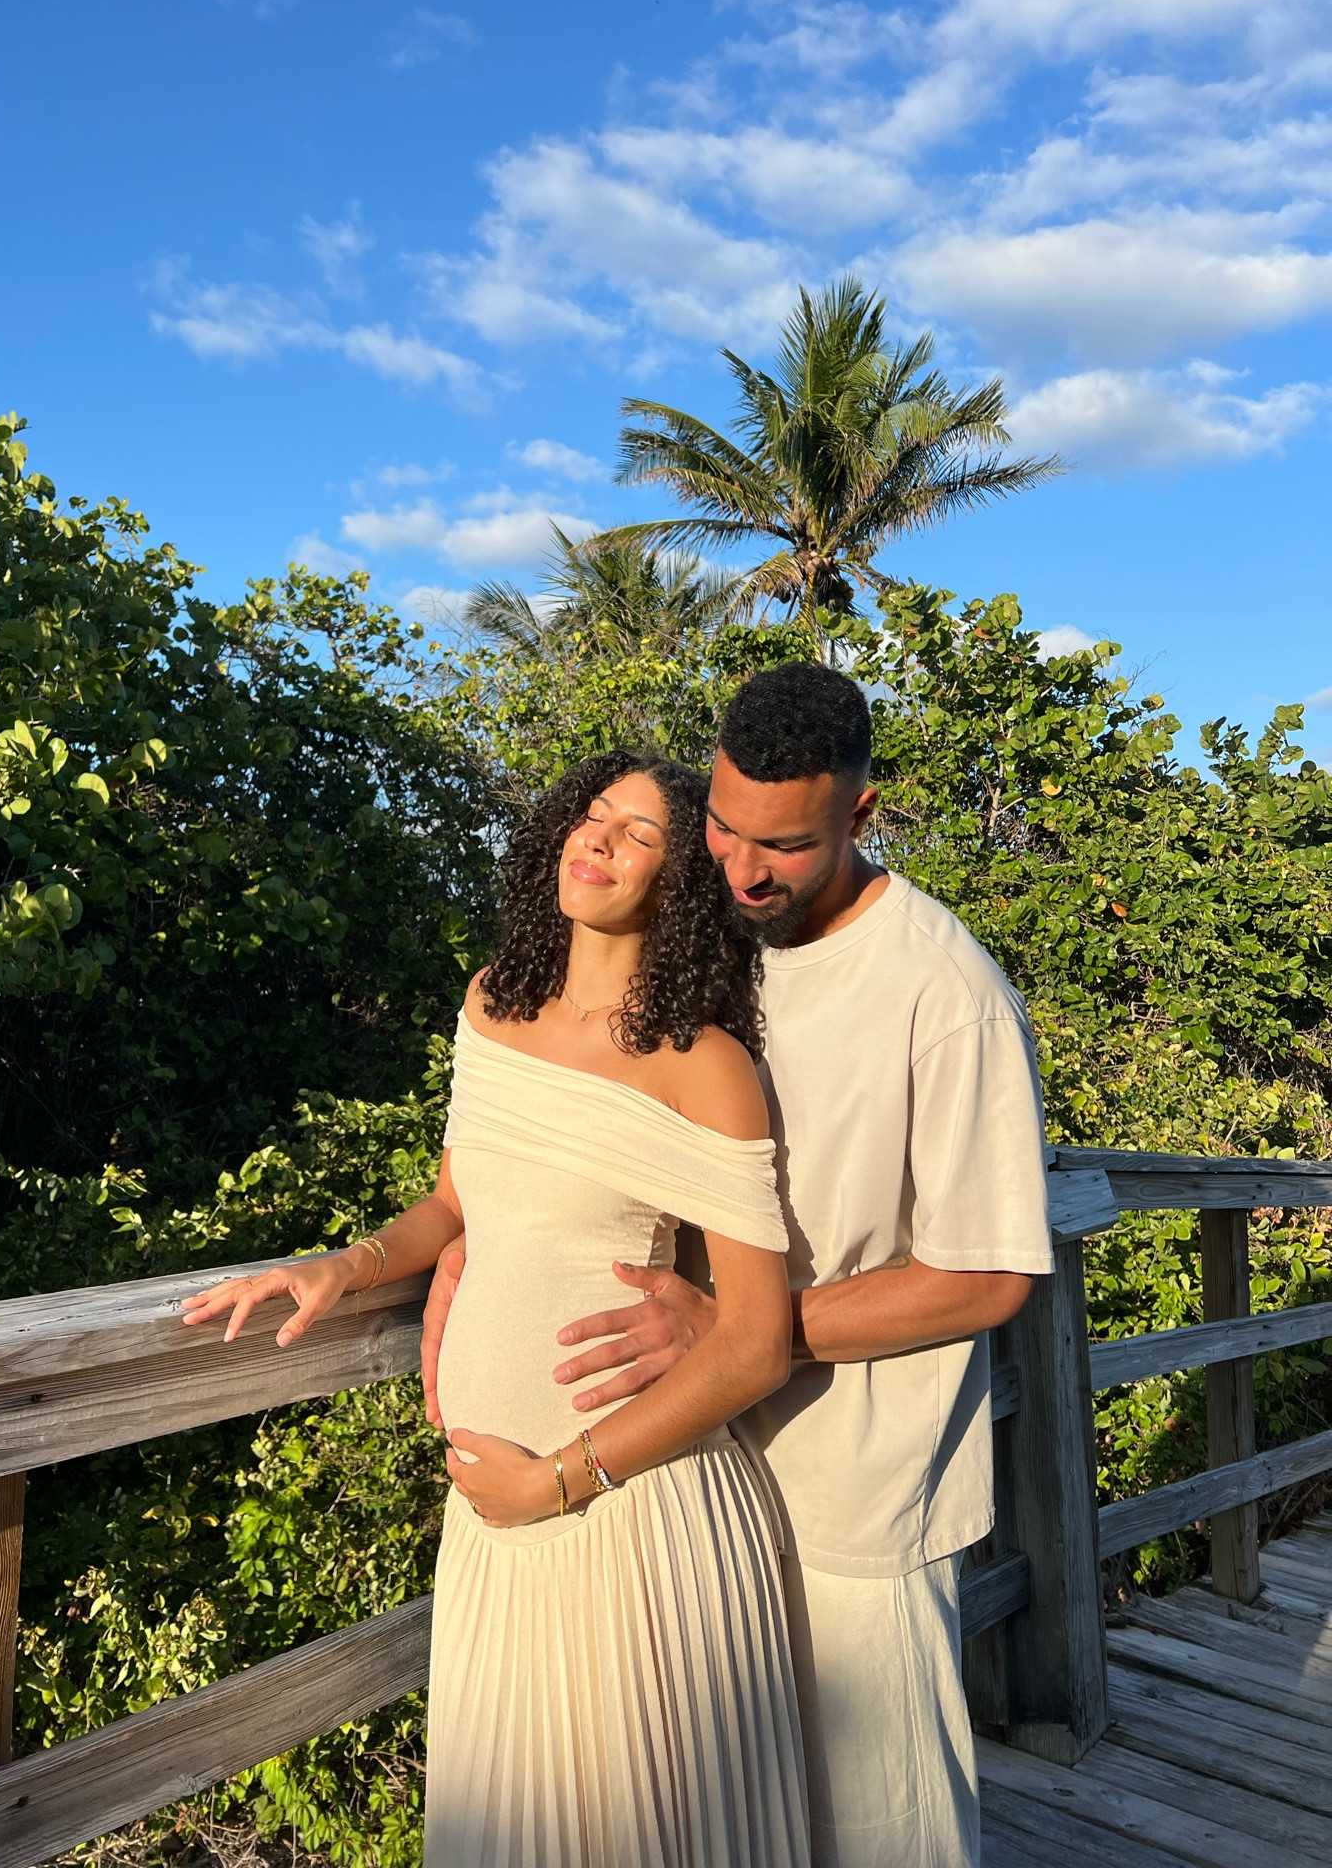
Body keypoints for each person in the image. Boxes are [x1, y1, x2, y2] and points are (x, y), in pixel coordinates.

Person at [423, 665, 1054, 1868]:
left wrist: (738, 1327)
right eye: (722, 825)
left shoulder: (944, 991)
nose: (744, 864)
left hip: (855, 1495)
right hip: (701, 1474)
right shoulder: (725, 940)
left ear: (863, 818)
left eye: (785, 844)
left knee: (882, 1838)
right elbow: (598, 1124)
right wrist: (475, 1237)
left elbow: (989, 1276)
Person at [183, 750, 810, 1868]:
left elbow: (757, 1340)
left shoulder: (703, 1063)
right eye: (592, 812)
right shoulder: (492, 1002)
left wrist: (559, 1478)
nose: (601, 836)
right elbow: (458, 1200)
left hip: (633, 1518)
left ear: (679, 885)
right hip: (493, 1525)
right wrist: (349, 1264)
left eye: (641, 833)